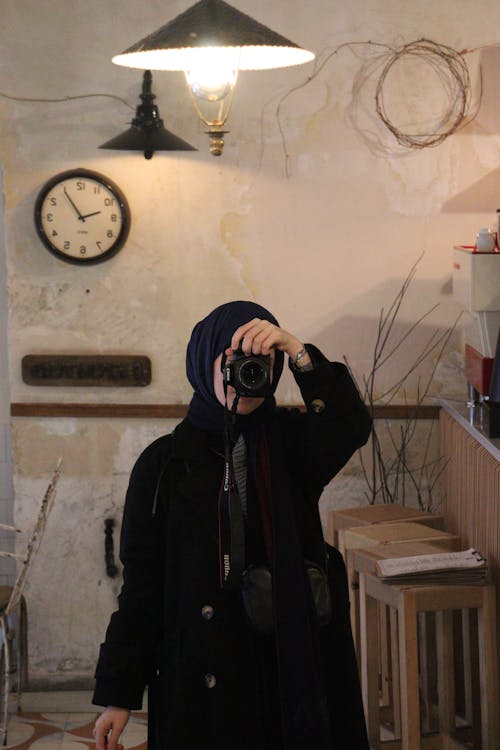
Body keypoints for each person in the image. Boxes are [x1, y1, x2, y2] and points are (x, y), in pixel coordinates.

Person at [93, 301, 372, 750]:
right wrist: (117, 696)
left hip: (281, 668)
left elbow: (350, 426)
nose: (245, 377)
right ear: (206, 363)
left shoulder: (293, 444)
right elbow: (142, 588)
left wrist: (297, 350)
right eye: (234, 362)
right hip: (200, 675)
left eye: (259, 364)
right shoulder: (163, 465)